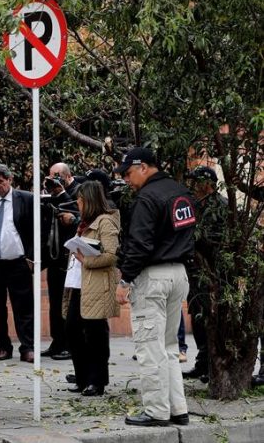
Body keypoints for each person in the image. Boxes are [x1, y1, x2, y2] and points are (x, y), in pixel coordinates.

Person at [114, 147, 196, 427]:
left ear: (144, 167)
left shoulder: (147, 198)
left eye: (128, 172)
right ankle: (178, 409)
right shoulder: (180, 192)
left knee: (150, 348)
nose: (126, 179)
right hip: (178, 275)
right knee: (169, 346)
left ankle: (156, 411)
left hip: (153, 278)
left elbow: (140, 244)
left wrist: (124, 280)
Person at [62, 181, 121, 397]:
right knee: (71, 329)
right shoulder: (84, 222)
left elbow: (111, 255)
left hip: (96, 285)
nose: (77, 203)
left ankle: (97, 381)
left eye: (80, 199)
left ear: (89, 201)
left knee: (95, 333)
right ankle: (82, 377)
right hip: (78, 283)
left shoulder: (105, 222)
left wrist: (86, 259)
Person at [0, 164, 36, 363]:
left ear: (9, 180)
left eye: (0, 182)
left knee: (23, 307)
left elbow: (36, 230)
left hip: (18, 263)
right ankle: (3, 346)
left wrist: (31, 257)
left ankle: (27, 347)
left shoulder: (25, 199)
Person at [182, 165, 228, 382]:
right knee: (198, 318)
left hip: (212, 273)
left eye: (197, 181)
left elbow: (221, 240)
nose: (193, 186)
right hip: (195, 271)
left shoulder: (220, 206)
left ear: (208, 184)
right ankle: (202, 363)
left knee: (211, 319)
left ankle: (213, 366)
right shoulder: (194, 205)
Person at [42, 163, 80, 360]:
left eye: (56, 176)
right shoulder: (53, 193)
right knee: (55, 303)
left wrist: (62, 193)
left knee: (68, 304)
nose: (53, 180)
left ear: (67, 175)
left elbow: (77, 215)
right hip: (55, 257)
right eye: (50, 176)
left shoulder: (78, 190)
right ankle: (57, 342)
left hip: (71, 258)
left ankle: (68, 344)